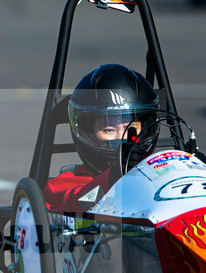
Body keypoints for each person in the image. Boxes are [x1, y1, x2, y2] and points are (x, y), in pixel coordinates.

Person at [43, 64, 160, 214]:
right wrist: (114, 177)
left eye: (130, 129)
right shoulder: (68, 183)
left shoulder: (162, 171)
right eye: (109, 130)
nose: (122, 139)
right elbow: (75, 203)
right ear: (87, 132)